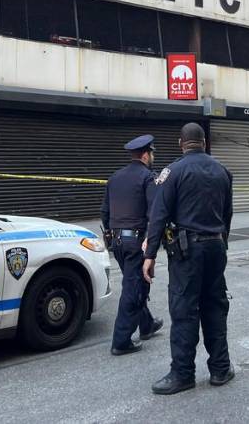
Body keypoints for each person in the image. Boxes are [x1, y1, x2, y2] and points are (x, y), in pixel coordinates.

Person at [142, 123, 234, 395]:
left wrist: (150, 255)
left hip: (187, 252)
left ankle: (182, 374)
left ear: (181, 143)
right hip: (216, 248)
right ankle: (220, 368)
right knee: (215, 306)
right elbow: (227, 213)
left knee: (184, 309)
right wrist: (222, 242)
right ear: (204, 142)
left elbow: (158, 215)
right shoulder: (223, 171)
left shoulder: (173, 172)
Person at [101, 134, 164, 356]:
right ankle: (121, 340)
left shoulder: (114, 177)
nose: (153, 156)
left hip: (117, 241)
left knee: (133, 280)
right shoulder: (148, 178)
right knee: (134, 287)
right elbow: (155, 212)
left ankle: (146, 325)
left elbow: (104, 212)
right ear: (146, 155)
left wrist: (110, 235)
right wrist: (151, 240)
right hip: (136, 241)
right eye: (152, 153)